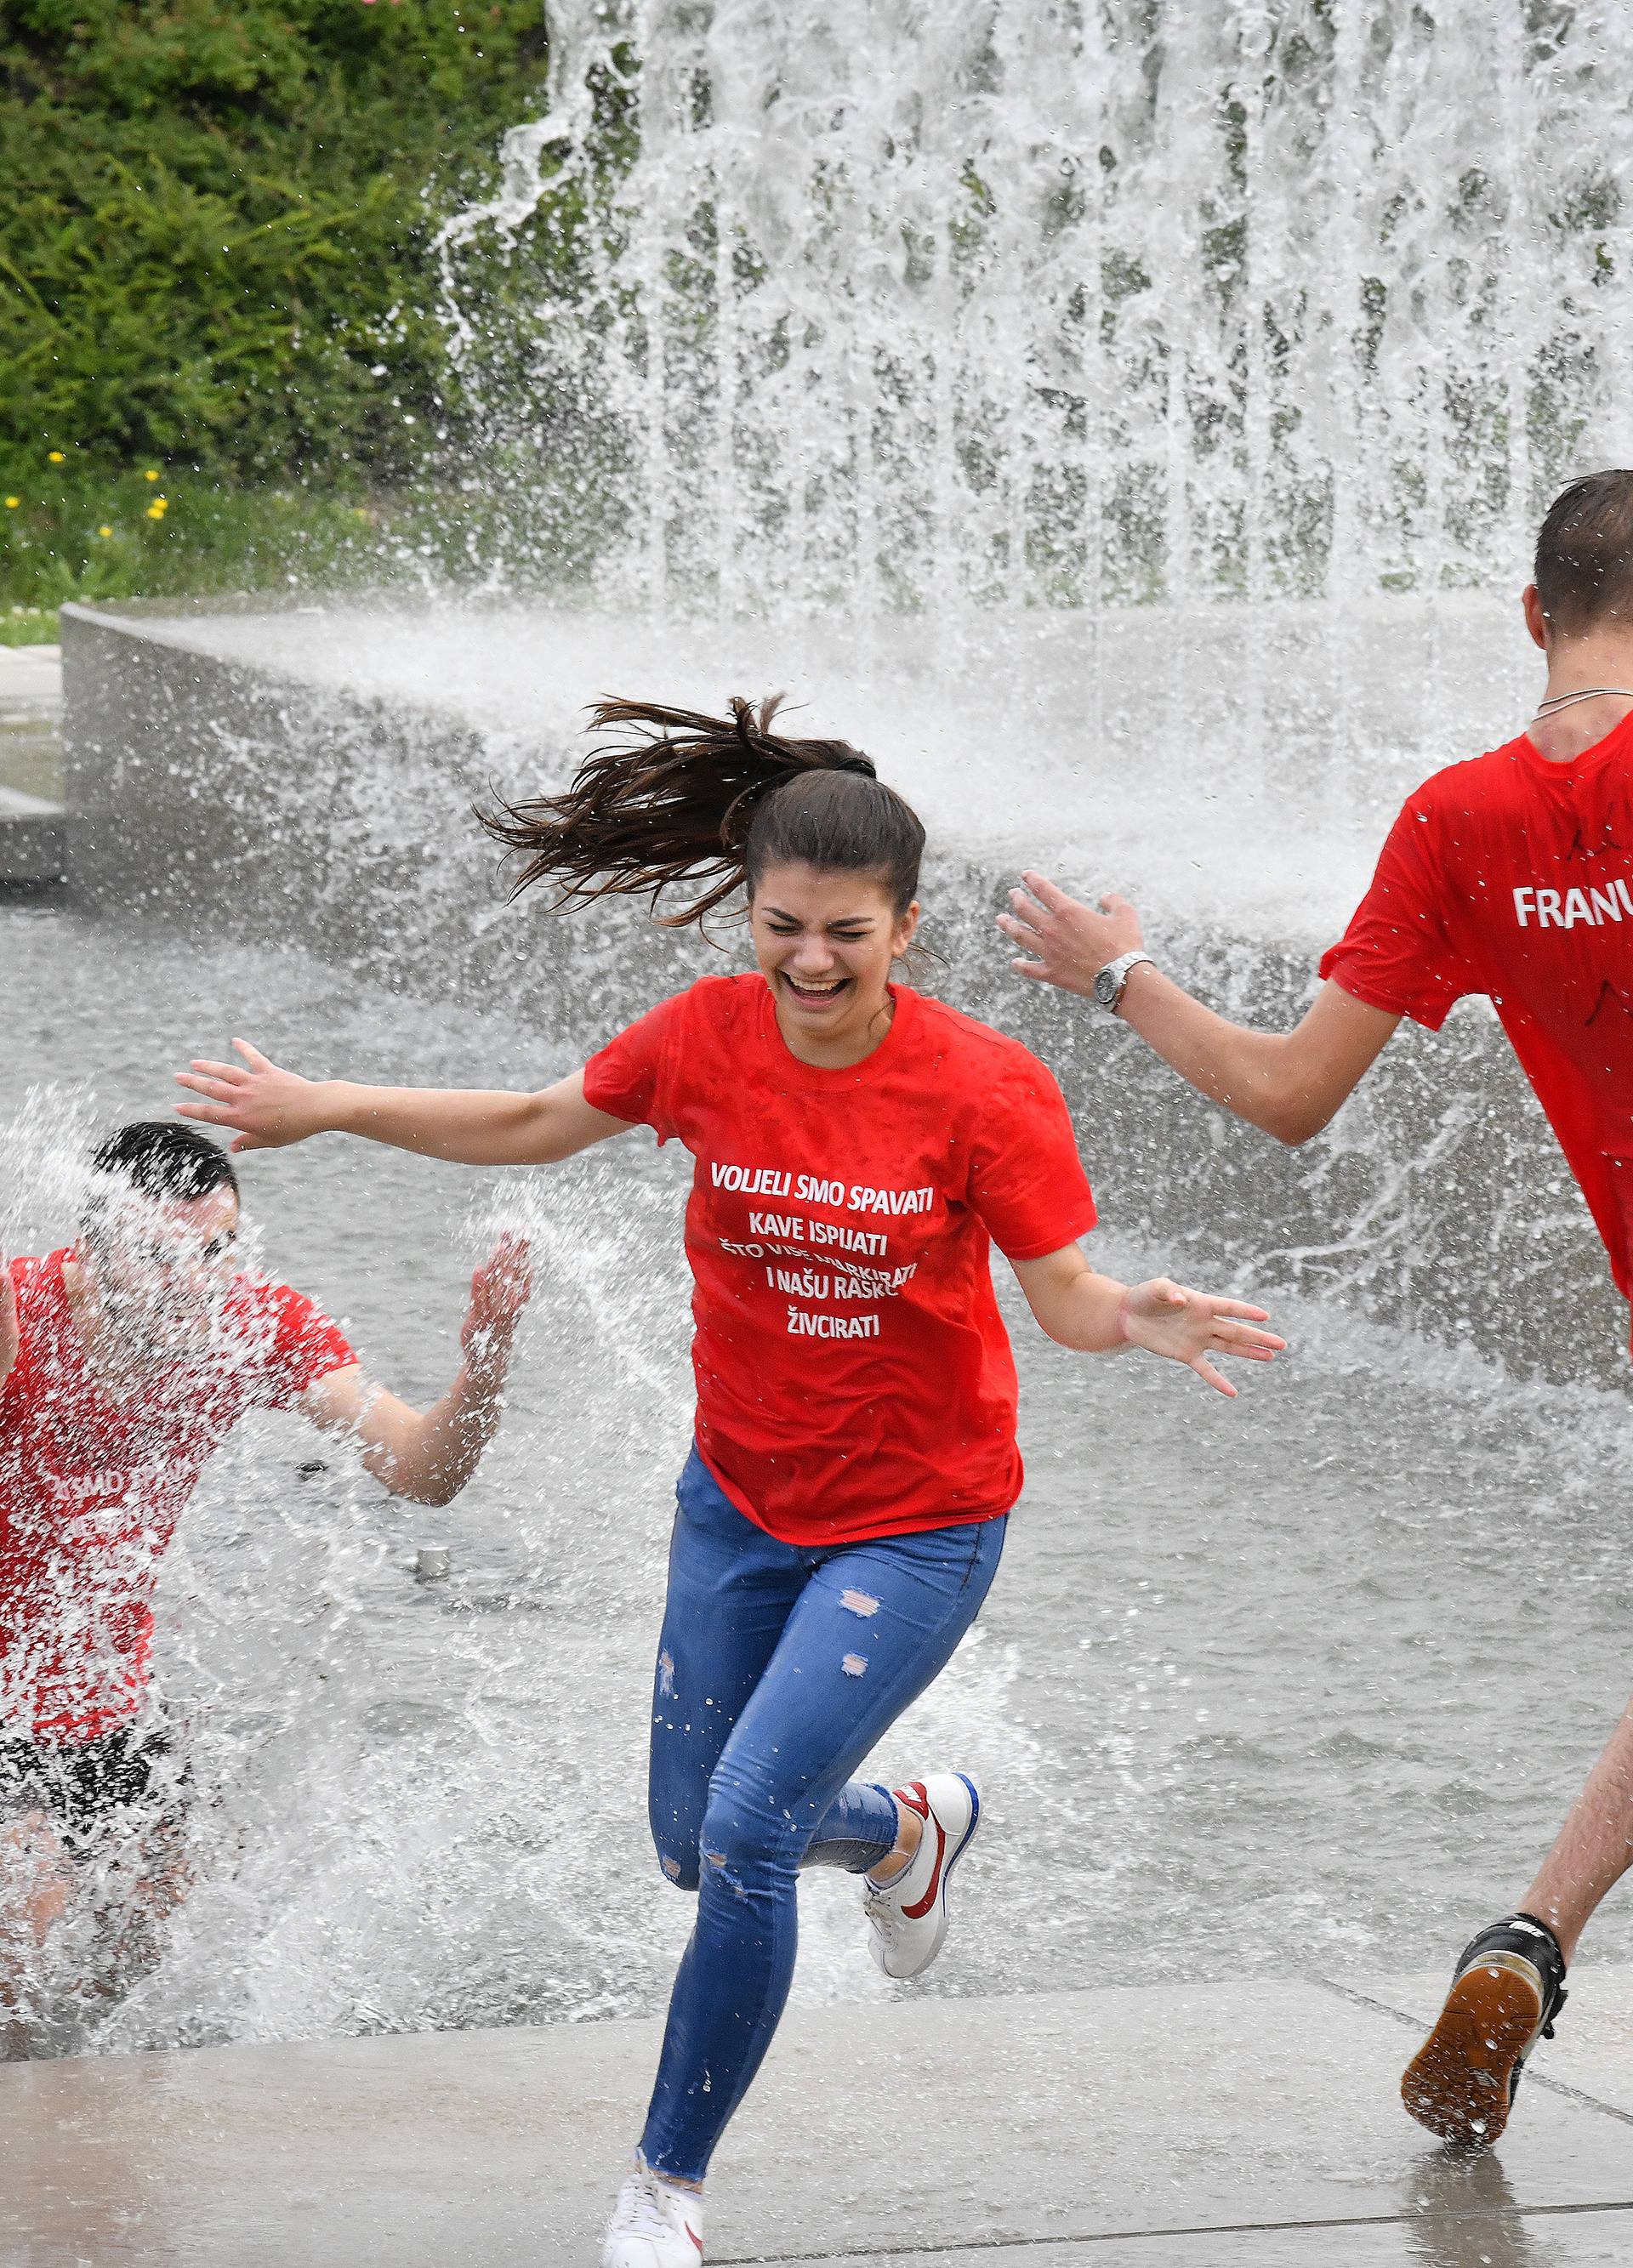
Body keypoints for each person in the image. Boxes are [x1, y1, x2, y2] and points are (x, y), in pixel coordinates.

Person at [171, 694, 1286, 2266]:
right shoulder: (704, 1034)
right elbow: (539, 1118)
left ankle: (662, 2190)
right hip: (741, 1504)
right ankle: (903, 1830)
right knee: (693, 1838)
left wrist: (1135, 1316)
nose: (812, 962)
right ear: (748, 909)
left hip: (917, 1522)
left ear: (906, 925)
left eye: (848, 933)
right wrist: (331, 1105)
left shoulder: (983, 1091)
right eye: (784, 927)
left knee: (749, 1832)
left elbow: (1065, 1298)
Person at [994, 467, 1633, 2150]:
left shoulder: (1459, 820)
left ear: (1529, 617)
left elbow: (1287, 1091)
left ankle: (1531, 1940)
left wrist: (1124, 969)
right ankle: (1532, 1937)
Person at [0, 1119, 532, 2049]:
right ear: (93, 1243)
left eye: (217, 1250)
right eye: (165, 1253)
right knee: (27, 1911)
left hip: (97, 1703)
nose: (195, 1281)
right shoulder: (19, 1311)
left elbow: (422, 1471)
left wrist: (484, 1367)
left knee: (146, 1938)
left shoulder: (254, 1327)